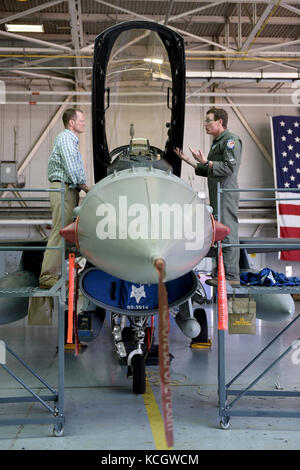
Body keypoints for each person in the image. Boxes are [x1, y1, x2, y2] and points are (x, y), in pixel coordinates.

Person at [174, 107, 242, 287]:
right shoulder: (217, 142)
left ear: (220, 122)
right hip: (217, 192)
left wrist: (207, 162)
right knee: (219, 231)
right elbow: (209, 169)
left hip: (225, 192)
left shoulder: (230, 141)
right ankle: (222, 271)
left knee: (227, 231)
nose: (205, 124)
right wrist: (188, 159)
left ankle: (231, 274)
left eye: (208, 120)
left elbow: (229, 167)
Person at [39, 108, 90, 289]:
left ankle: (53, 273)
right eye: (81, 120)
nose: (84, 123)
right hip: (64, 189)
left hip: (68, 189)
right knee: (60, 231)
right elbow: (73, 169)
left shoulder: (71, 140)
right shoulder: (67, 138)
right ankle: (47, 277)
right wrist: (88, 188)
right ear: (72, 123)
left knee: (64, 232)